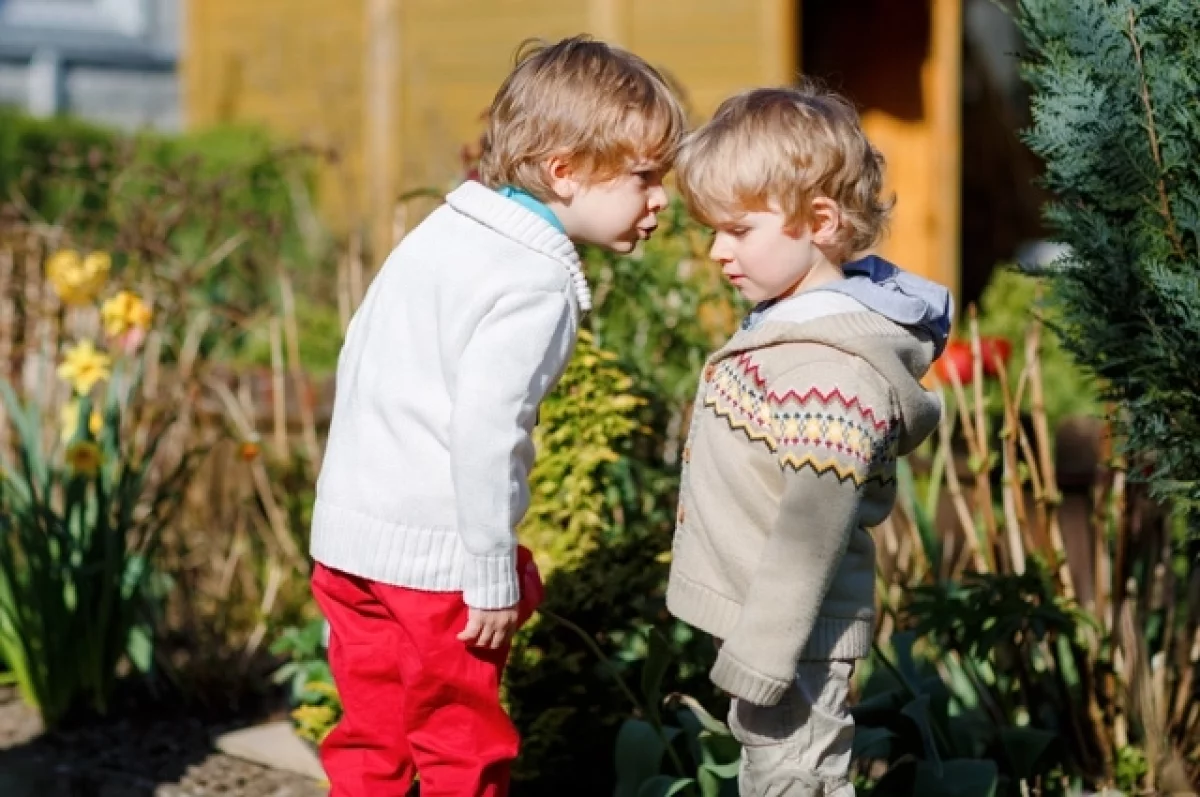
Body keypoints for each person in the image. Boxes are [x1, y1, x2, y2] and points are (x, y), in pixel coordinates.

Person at [308, 36, 686, 796]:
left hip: (348, 545)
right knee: (461, 747)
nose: (662, 199)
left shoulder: (443, 234)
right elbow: (485, 431)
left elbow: (361, 356)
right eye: (645, 176)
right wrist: (488, 572)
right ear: (564, 170)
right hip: (436, 561)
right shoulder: (533, 281)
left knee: (371, 742)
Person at [666, 84, 952, 796]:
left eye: (737, 230)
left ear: (818, 220)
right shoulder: (789, 323)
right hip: (771, 628)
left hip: (791, 641)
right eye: (712, 229)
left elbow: (812, 530)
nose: (715, 251)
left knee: (796, 780)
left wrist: (762, 656)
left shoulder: (829, 370)